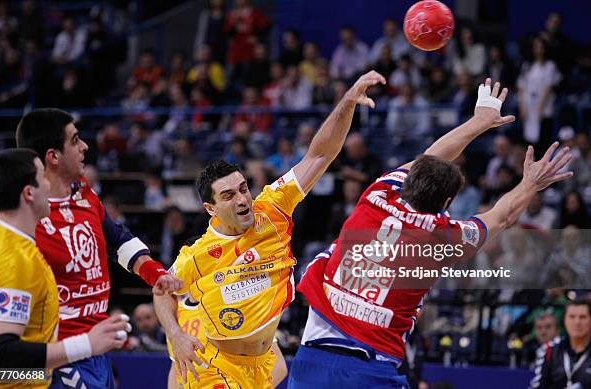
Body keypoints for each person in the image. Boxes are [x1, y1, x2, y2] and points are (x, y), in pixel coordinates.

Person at [290, 78, 573, 388]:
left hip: (310, 360)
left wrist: (478, 121)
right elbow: (501, 217)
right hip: (371, 370)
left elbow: (431, 156)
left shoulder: (378, 193)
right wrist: (530, 183)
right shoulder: (443, 238)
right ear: (448, 202)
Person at [155, 71, 387, 388]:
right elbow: (161, 290)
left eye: (243, 188)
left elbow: (319, 154)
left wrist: (345, 103)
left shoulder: (273, 208)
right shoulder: (198, 254)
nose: (242, 199)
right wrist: (176, 336)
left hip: (264, 365)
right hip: (218, 369)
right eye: (228, 195)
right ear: (211, 208)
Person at [15, 109, 182, 388]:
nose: (85, 146)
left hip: (96, 347)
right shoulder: (24, 217)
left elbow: (116, 238)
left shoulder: (83, 192)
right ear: (53, 156)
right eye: (75, 140)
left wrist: (155, 274)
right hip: (58, 355)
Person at [0, 149, 130, 387]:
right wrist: (86, 344)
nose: (50, 186)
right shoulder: (18, 261)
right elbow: (0, 360)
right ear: (29, 193)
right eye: (43, 178)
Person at [529, 299, 591, 389]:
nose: (577, 322)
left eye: (582, 317)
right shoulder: (549, 349)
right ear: (564, 320)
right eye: (572, 317)